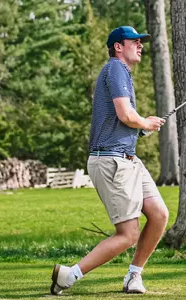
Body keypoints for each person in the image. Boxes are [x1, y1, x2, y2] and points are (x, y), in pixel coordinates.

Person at [50, 26, 169, 295]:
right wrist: (144, 122)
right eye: (134, 42)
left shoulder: (122, 73)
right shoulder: (115, 68)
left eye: (141, 43)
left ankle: (133, 276)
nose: (140, 46)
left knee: (159, 214)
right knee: (128, 235)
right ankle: (69, 276)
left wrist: (142, 126)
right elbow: (125, 114)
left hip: (128, 160)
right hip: (112, 161)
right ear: (118, 46)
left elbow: (122, 121)